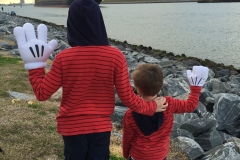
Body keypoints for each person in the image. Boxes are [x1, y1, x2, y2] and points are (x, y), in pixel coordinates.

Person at [13, 0, 168, 159]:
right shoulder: (116, 57)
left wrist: (35, 65)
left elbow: (42, 93)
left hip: (71, 129)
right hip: (100, 129)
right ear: (99, 22)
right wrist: (151, 107)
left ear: (71, 23)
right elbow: (128, 98)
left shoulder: (63, 58)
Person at [122, 63, 209, 160]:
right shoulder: (169, 104)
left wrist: (126, 154)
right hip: (160, 155)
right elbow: (190, 105)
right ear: (160, 85)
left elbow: (127, 138)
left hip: (138, 155)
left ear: (138, 90)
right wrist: (196, 87)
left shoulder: (130, 114)